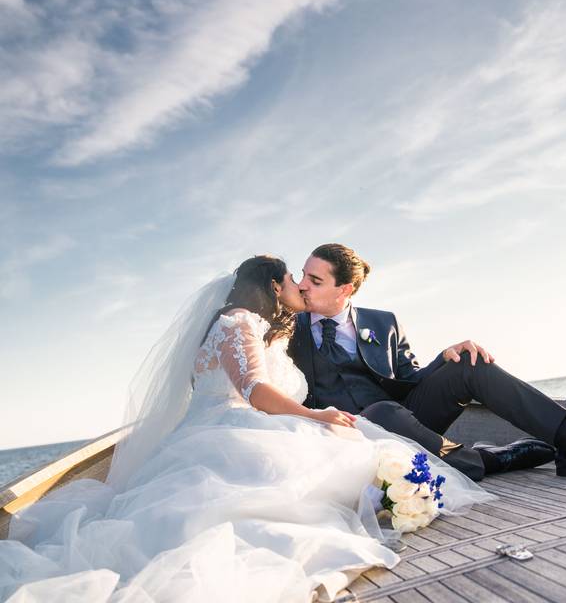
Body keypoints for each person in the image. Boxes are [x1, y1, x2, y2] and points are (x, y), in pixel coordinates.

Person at [0, 256, 491, 602]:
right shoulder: (238, 322)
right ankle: (457, 468)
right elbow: (255, 392)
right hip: (231, 425)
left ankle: (458, 466)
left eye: (309, 283)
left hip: (233, 422)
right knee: (327, 451)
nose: (301, 288)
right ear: (273, 287)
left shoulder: (257, 328)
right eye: (294, 283)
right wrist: (315, 415)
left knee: (352, 440)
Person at [290, 244, 566, 483]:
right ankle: (493, 459)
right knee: (381, 413)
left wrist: (444, 358)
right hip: (342, 435)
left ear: (345, 289)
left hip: (405, 420)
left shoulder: (384, 322)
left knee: (469, 361)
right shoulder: (288, 330)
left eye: (315, 280)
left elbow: (410, 381)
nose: (303, 285)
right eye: (303, 275)